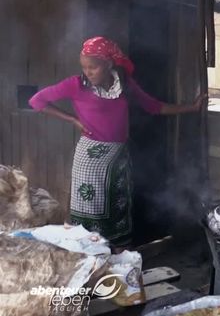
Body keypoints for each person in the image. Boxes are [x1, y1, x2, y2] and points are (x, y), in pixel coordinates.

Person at [29, 36, 206, 248]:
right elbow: (36, 101)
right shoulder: (75, 85)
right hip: (90, 161)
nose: (87, 72)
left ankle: (117, 258)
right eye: (84, 67)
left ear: (108, 63)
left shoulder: (124, 85)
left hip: (118, 160)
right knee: (91, 212)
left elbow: (154, 106)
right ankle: (89, 259)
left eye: (93, 67)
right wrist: (73, 119)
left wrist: (191, 107)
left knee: (115, 210)